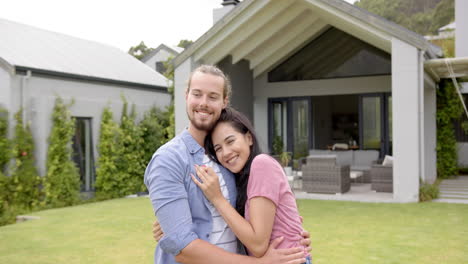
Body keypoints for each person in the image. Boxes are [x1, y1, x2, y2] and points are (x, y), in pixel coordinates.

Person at [144, 65, 309, 264]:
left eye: (213, 97)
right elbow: (182, 247)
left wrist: (290, 231)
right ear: (186, 95)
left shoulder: (229, 161)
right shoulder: (168, 159)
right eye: (197, 94)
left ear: (224, 102)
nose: (203, 103)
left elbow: (253, 218)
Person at [192, 107, 312, 263]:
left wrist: (218, 198)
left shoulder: (262, 164)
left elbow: (258, 245)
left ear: (249, 138)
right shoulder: (242, 179)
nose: (226, 152)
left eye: (230, 141)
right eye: (218, 149)